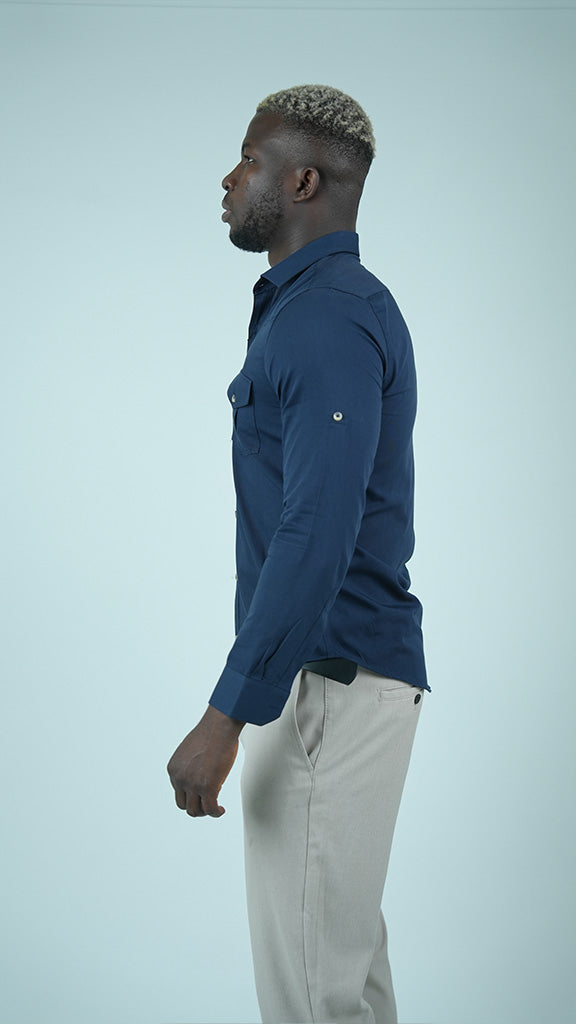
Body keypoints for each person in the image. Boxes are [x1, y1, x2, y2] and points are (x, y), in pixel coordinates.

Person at [167, 84, 429, 1024]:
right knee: (344, 984)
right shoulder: (315, 310)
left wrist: (226, 715)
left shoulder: (326, 318)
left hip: (328, 692)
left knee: (311, 1000)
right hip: (326, 683)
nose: (229, 179)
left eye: (250, 161)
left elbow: (316, 534)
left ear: (304, 182)